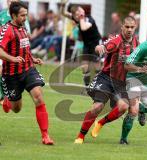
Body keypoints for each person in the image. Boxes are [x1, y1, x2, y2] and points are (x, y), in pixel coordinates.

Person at [74, 16, 139, 144]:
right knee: (97, 107)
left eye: (132, 27)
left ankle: (100, 123)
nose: (129, 30)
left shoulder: (137, 43)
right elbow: (104, 46)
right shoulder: (116, 40)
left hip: (122, 83)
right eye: (127, 27)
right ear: (122, 27)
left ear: (135, 27)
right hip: (106, 78)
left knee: (123, 106)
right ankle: (80, 136)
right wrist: (101, 48)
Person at [0, 1, 54, 145]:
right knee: (16, 108)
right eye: (22, 15)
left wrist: (32, 58)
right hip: (11, 75)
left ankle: (45, 136)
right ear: (13, 15)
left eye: (26, 15)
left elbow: (25, 48)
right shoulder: (6, 30)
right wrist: (12, 58)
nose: (25, 18)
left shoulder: (23, 28)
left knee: (38, 97)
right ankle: (7, 100)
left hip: (28, 69)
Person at [61, 3, 102, 86]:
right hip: (87, 44)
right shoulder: (77, 18)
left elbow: (83, 28)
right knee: (84, 66)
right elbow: (64, 13)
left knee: (96, 66)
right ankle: (87, 85)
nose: (78, 15)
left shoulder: (89, 19)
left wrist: (81, 17)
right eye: (76, 15)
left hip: (96, 43)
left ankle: (100, 83)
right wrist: (62, 5)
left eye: (80, 11)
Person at [0, 0, 31, 104]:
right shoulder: (2, 14)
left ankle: (6, 96)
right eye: (10, 0)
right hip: (3, 48)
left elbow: (27, 34)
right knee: (1, 70)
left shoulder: (22, 16)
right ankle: (3, 95)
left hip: (16, 51)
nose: (11, 2)